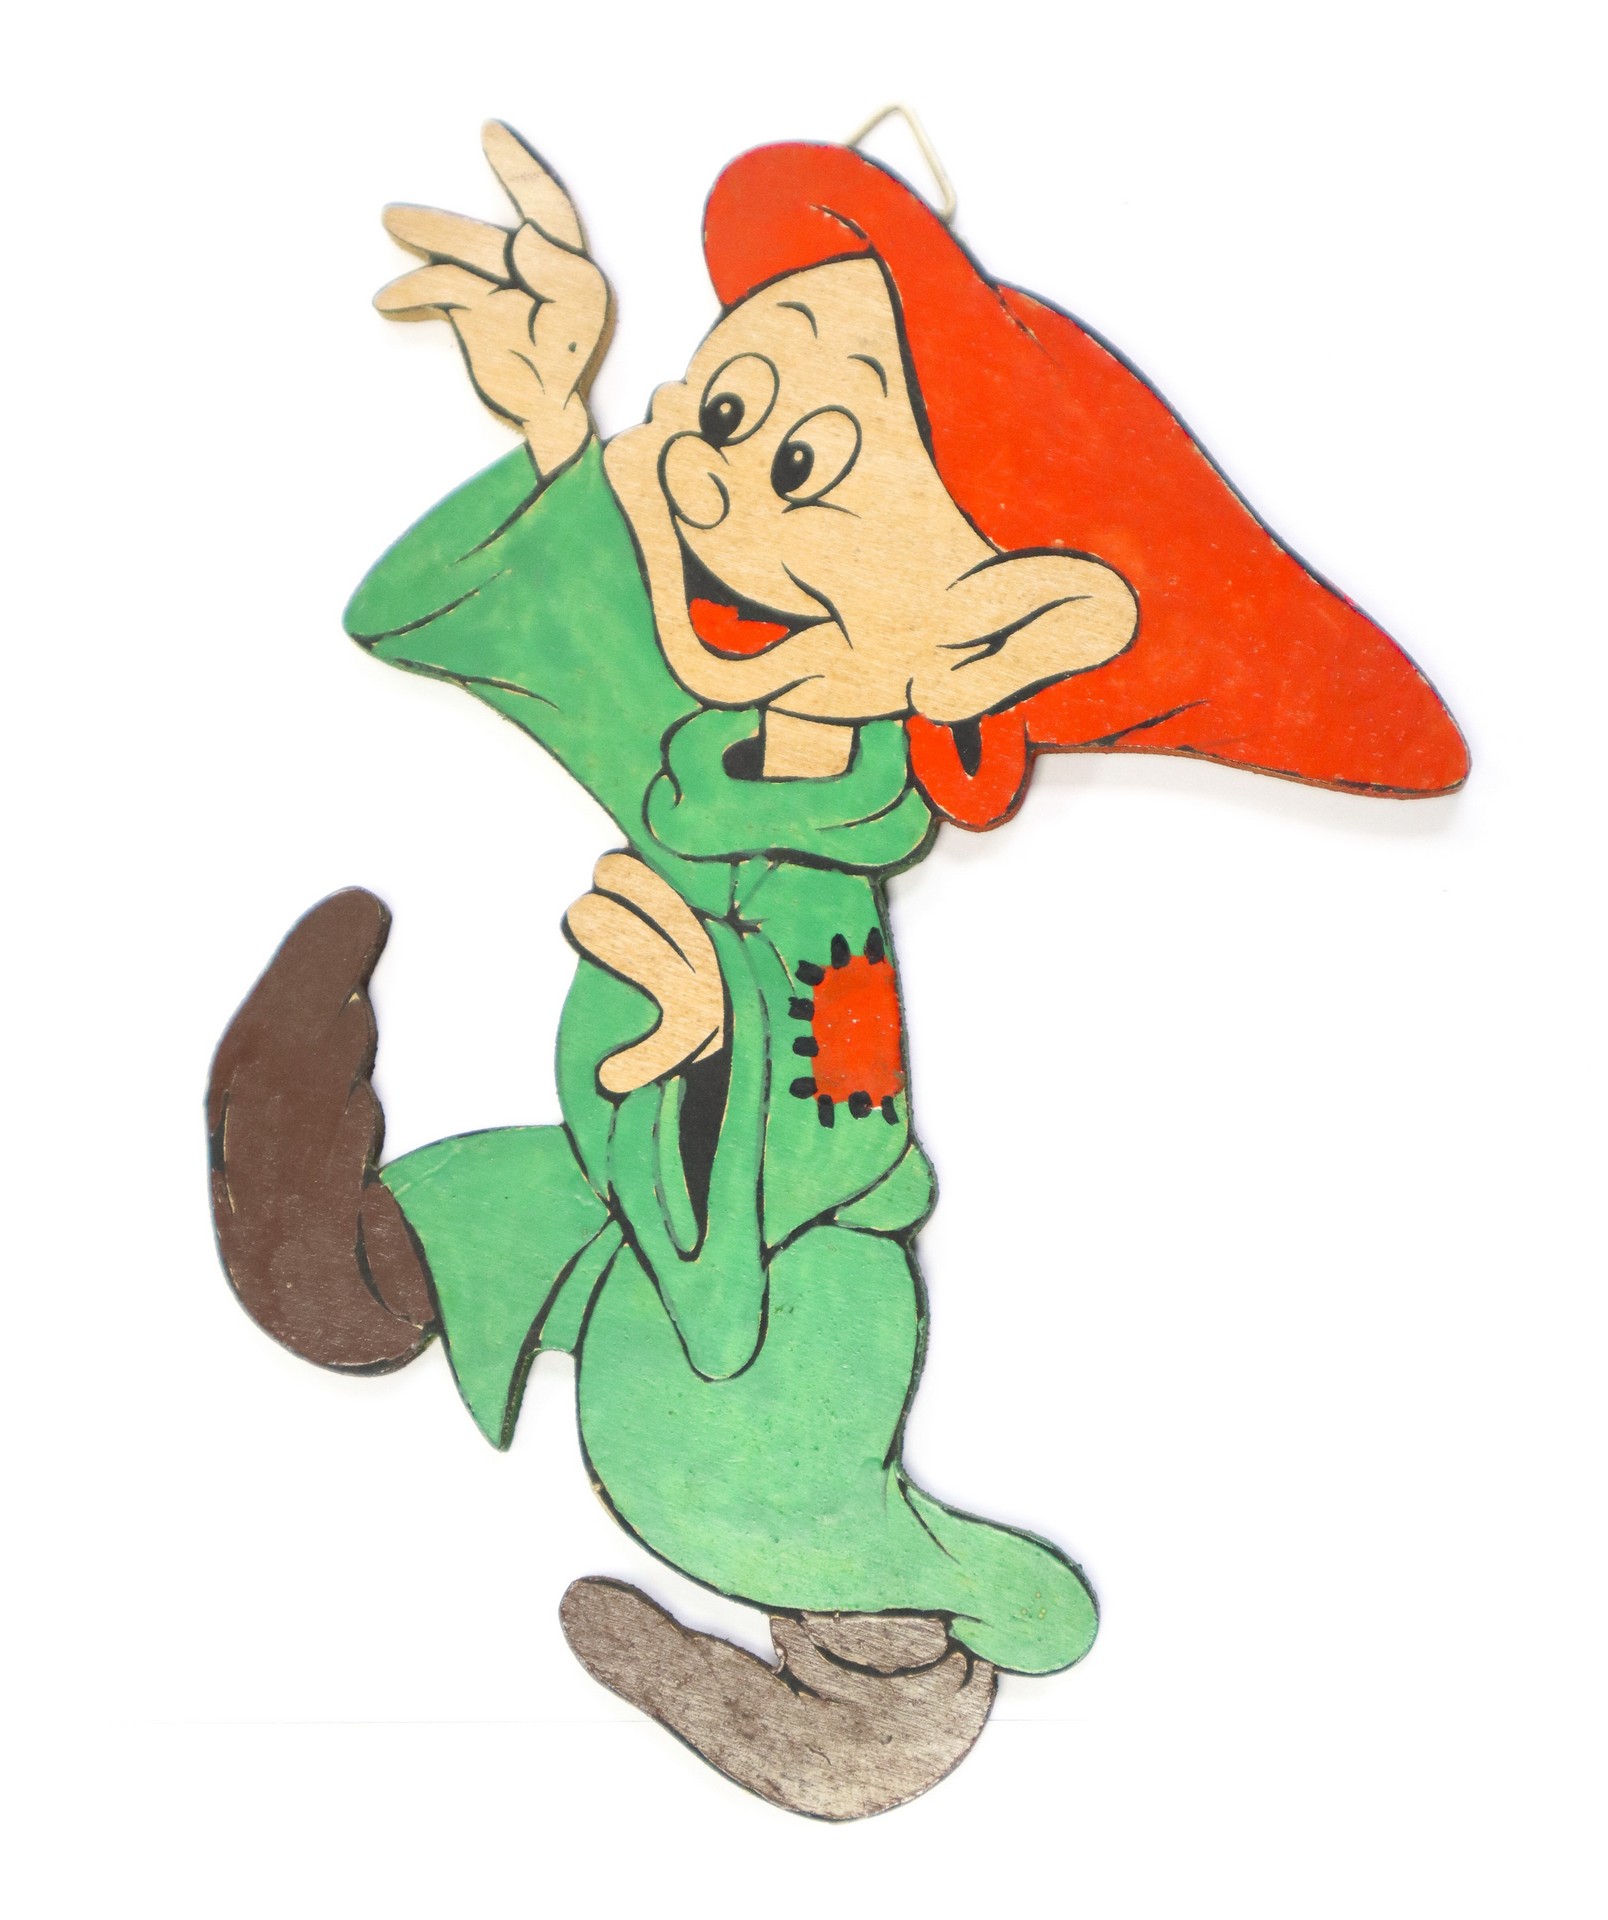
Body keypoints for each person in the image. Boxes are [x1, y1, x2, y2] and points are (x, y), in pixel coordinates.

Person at [207, 127, 1466, 1819]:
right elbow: (591, 645)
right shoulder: (719, 762)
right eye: (723, 411)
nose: (701, 475)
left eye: (799, 460)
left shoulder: (823, 889)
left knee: (718, 1472)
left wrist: (707, 1049)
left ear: (996, 638)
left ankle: (873, 1683)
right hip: (643, 1209)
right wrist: (558, 422)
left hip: (788, 1300)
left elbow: (840, 1118)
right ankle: (344, 1264)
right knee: (483, 1222)